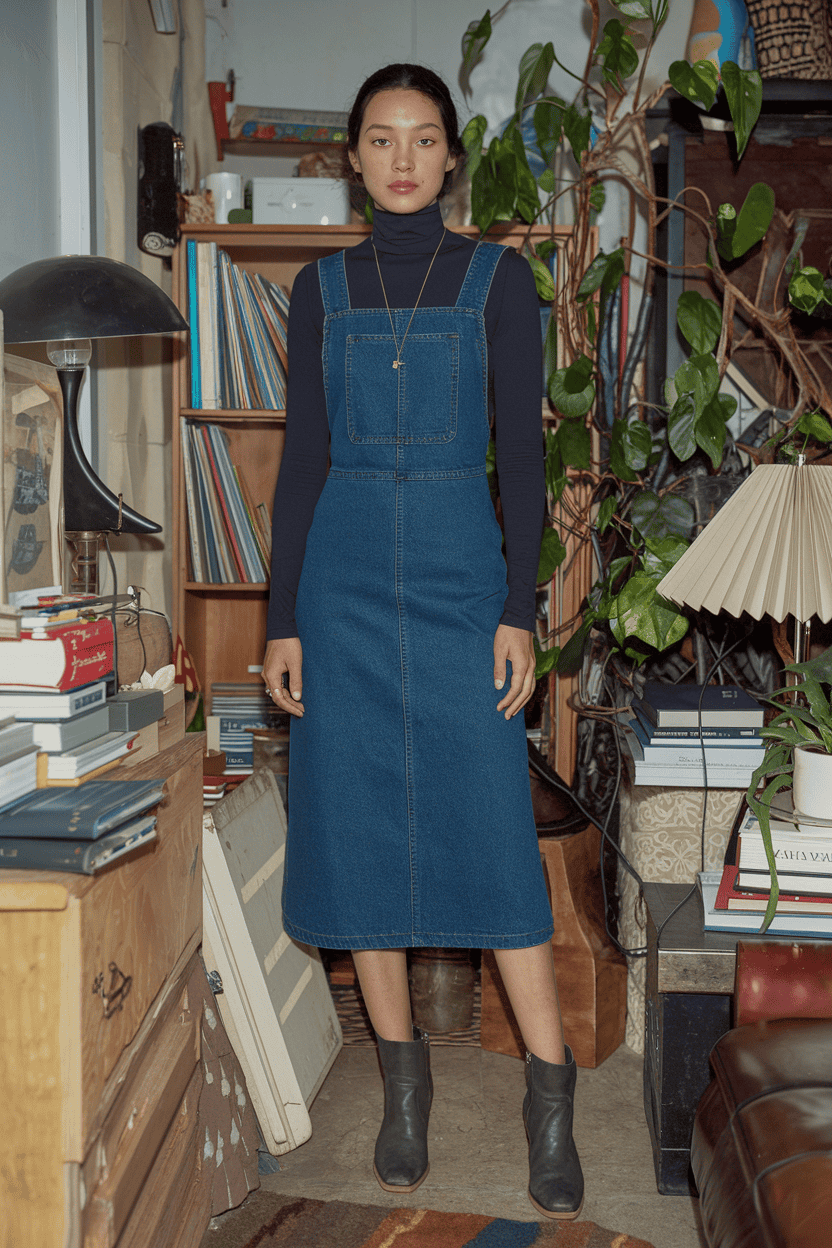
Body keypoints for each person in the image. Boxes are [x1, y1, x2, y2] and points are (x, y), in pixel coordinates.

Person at [262, 63, 584, 1221]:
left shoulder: (499, 280)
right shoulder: (319, 290)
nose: (403, 157)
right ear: (352, 157)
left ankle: (550, 1096)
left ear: (452, 157)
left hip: (460, 582)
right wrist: (281, 619)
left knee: (489, 826)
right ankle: (404, 1096)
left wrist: (519, 610)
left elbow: (523, 460)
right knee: (357, 832)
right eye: (381, 139)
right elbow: (301, 463)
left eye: (425, 138)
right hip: (342, 582)